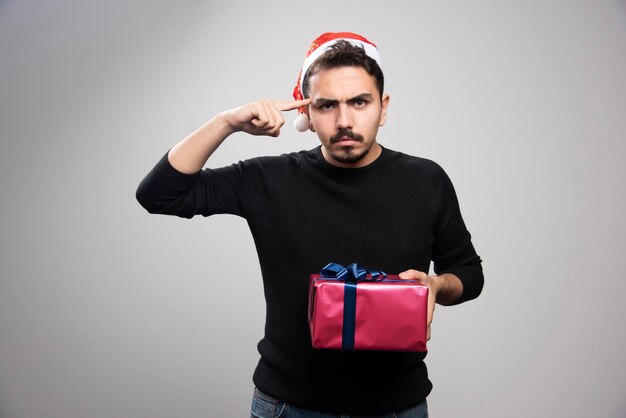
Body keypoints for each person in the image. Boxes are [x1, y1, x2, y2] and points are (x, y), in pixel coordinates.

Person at [136, 32, 483, 418]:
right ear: (306, 113)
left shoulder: (426, 180)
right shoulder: (270, 179)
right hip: (289, 405)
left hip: (397, 406)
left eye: (359, 102)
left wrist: (437, 285)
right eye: (326, 105)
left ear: (383, 108)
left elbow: (468, 273)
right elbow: (158, 194)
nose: (344, 120)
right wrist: (225, 122)